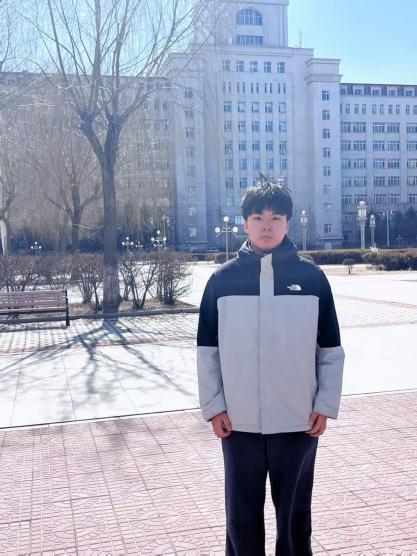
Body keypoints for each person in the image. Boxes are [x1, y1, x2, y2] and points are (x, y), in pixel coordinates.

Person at [197, 178, 344, 556]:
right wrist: (214, 407)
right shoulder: (222, 280)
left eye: (276, 218)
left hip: (298, 421)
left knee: (294, 518)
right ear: (245, 222)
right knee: (241, 517)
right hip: (238, 423)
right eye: (258, 218)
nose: (267, 226)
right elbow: (207, 351)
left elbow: (330, 349)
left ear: (288, 223)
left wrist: (325, 404)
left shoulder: (312, 278)